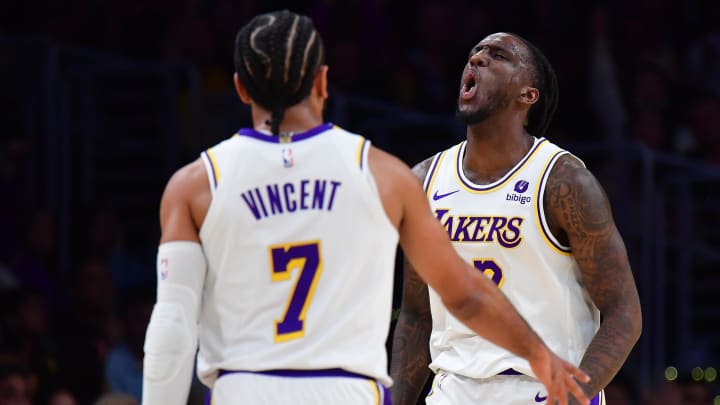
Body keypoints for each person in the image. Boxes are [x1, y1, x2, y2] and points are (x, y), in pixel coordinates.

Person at [141, 12, 592, 405]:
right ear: (321, 81)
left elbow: (174, 326)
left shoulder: (194, 185)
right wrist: (539, 356)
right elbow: (464, 294)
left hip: (243, 388)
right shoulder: (385, 175)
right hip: (347, 390)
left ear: (240, 88)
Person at [389, 32, 643, 405]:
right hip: (453, 387)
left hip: (541, 388)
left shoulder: (563, 181)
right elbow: (416, 313)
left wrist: (575, 396)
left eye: (497, 56)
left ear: (528, 94)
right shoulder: (424, 180)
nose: (476, 60)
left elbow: (624, 313)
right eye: (474, 53)